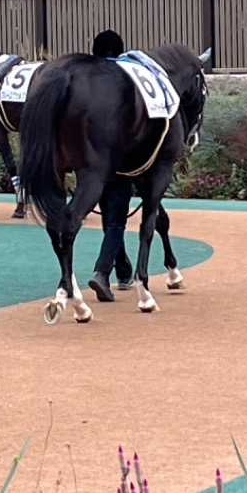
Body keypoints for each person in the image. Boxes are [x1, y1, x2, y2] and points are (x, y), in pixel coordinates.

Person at [88, 28, 134, 302]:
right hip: (119, 161)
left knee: (109, 217)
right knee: (116, 221)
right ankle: (102, 272)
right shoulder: (125, 81)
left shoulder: (89, 82)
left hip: (91, 163)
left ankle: (123, 269)